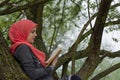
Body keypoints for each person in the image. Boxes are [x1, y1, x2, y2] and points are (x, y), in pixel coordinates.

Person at [8, 19, 81, 80]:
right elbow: (32, 74)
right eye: (32, 32)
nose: (35, 35)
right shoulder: (22, 48)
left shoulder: (24, 47)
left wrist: (49, 63)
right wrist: (51, 67)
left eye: (35, 32)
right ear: (22, 32)